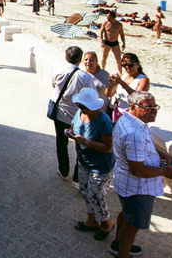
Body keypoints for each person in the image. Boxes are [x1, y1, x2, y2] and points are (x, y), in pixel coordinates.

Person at [112, 92, 172, 257]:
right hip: (138, 188)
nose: (153, 111)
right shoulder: (134, 133)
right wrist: (166, 171)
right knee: (132, 226)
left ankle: (117, 244)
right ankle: (122, 253)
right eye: (148, 107)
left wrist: (165, 156)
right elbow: (138, 170)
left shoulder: (129, 120)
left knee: (126, 214)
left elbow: (145, 146)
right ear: (133, 107)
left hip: (127, 184)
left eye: (155, 106)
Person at [67, 88, 116, 241]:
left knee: (95, 195)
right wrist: (69, 132)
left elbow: (108, 148)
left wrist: (86, 142)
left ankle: (107, 224)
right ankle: (92, 221)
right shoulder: (80, 113)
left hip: (100, 167)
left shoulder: (103, 121)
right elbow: (73, 127)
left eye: (85, 107)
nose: (82, 109)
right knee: (85, 190)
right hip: (84, 162)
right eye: (80, 106)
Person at [51, 46, 94, 184]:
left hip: (61, 114)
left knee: (61, 143)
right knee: (80, 146)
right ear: (80, 60)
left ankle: (64, 171)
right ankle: (77, 179)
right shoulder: (85, 77)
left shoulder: (58, 70)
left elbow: (54, 85)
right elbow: (91, 95)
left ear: (66, 57)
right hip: (78, 117)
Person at [108, 53, 149, 122]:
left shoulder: (143, 80)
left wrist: (122, 83)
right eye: (124, 65)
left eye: (130, 65)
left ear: (138, 65)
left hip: (132, 115)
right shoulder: (124, 77)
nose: (127, 68)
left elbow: (137, 98)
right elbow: (109, 94)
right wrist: (111, 84)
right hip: (119, 112)